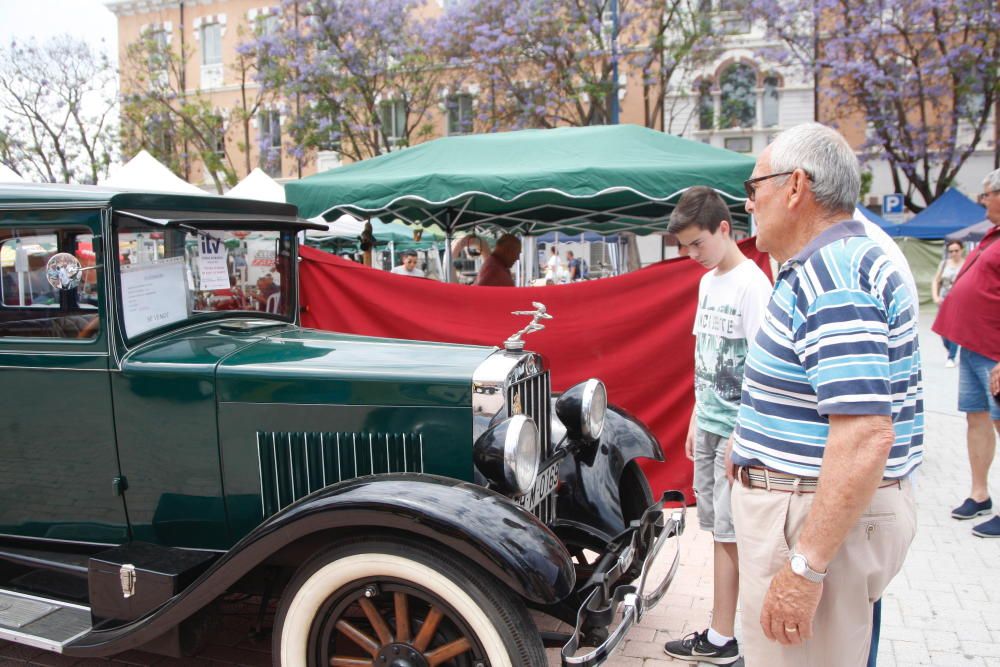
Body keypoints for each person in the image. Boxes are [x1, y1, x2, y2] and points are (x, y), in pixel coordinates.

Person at [729, 122, 922, 667]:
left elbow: (864, 435)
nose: (749, 205)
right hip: (810, 510)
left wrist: (805, 569)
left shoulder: (832, 273)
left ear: (794, 188)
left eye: (752, 189)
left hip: (808, 519)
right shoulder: (835, 262)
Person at [662, 187, 772, 665]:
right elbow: (704, 356)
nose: (690, 255)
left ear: (725, 229)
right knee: (716, 530)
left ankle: (725, 637)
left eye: (697, 244)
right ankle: (723, 629)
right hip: (708, 423)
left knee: (730, 535)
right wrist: (693, 417)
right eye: (684, 247)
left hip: (737, 431)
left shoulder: (754, 284)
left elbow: (765, 371)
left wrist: (742, 437)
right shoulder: (708, 282)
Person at [933, 168, 1000, 537]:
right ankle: (980, 493)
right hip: (974, 347)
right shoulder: (991, 235)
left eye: (988, 193)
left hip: (994, 350)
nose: (983, 199)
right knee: (975, 419)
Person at [931, 240, 965, 367]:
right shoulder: (944, 264)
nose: (954, 253)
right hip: (944, 300)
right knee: (942, 330)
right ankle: (950, 348)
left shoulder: (966, 263)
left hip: (960, 301)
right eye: (951, 251)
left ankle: (951, 357)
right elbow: (936, 280)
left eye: (956, 251)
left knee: (954, 328)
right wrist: (935, 296)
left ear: (961, 250)